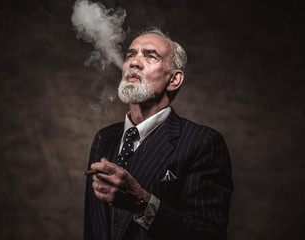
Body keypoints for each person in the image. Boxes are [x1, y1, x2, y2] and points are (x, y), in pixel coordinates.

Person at [84, 27, 233, 240]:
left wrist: (142, 204)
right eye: (130, 55)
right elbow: (93, 227)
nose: (134, 62)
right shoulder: (104, 138)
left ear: (174, 80)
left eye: (150, 56)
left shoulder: (203, 142)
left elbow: (209, 234)